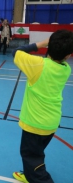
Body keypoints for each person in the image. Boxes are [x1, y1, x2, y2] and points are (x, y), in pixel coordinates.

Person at [12, 30, 73, 183]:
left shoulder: (38, 65)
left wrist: (42, 43)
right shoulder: (66, 68)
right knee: (36, 153)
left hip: (35, 124)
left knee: (31, 156)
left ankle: (36, 176)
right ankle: (28, 173)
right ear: (68, 56)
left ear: (49, 47)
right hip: (51, 123)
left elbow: (16, 52)